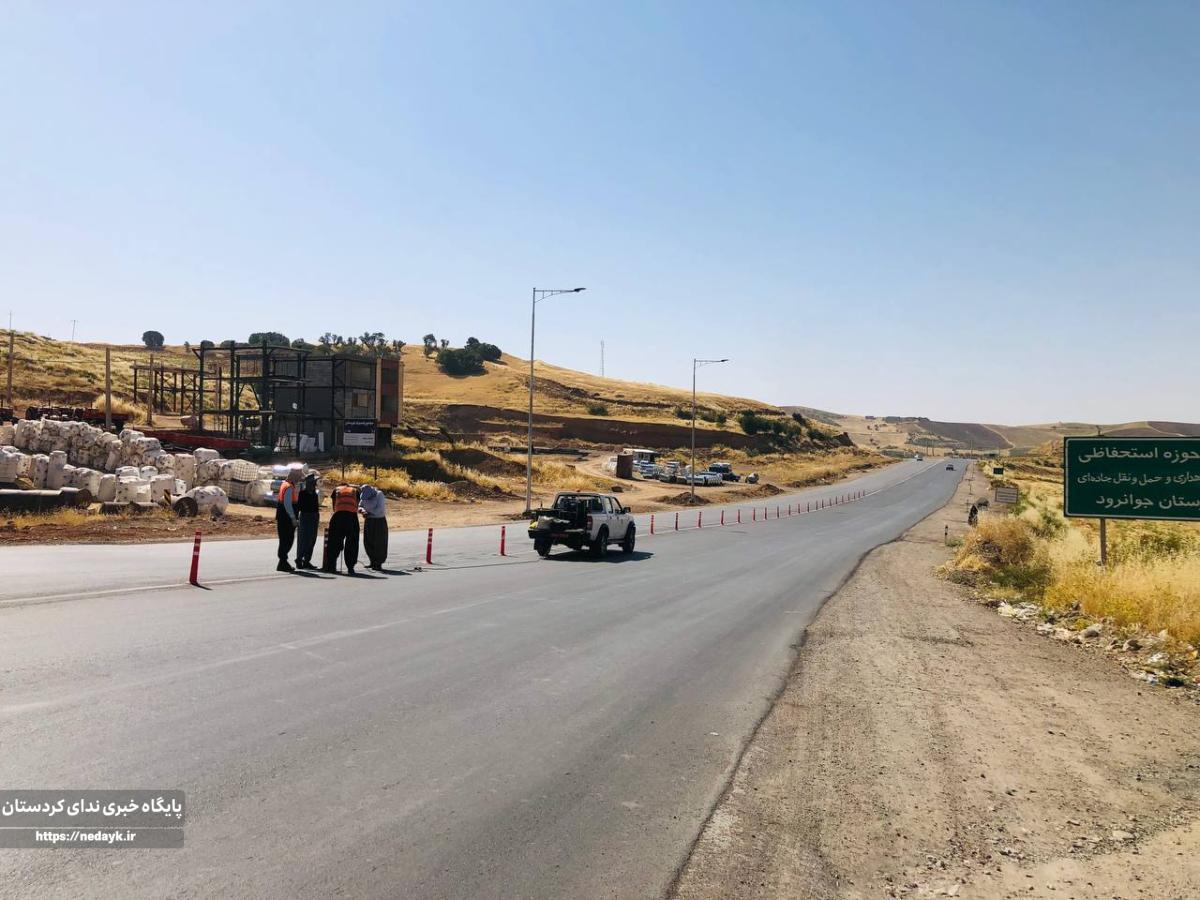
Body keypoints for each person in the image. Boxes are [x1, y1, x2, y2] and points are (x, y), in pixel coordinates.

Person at [322, 482, 360, 574]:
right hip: (352, 517)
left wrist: (336, 513)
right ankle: (350, 567)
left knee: (334, 540)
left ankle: (331, 566)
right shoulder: (354, 491)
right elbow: (357, 503)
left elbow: (334, 504)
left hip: (338, 516)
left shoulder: (336, 490)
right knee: (352, 541)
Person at [275, 470, 301, 573]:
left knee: (284, 539)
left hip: (283, 517)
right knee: (287, 540)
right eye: (298, 476)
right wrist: (293, 518)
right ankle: (283, 562)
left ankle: (283, 562)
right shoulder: (289, 487)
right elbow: (287, 504)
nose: (299, 479)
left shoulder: (285, 484)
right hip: (286, 518)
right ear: (293, 476)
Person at [358, 484, 388, 571]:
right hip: (369, 520)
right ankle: (372, 561)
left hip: (379, 521)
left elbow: (380, 509)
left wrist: (368, 513)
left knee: (379, 542)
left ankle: (378, 563)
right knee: (368, 541)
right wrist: (362, 510)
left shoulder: (379, 494)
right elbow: (360, 506)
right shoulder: (364, 496)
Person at [294, 472, 321, 569]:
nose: (314, 484)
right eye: (313, 482)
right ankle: (299, 559)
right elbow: (298, 507)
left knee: (312, 539)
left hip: (314, 517)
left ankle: (306, 561)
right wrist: (296, 519)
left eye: (314, 483)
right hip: (305, 517)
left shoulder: (315, 494)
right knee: (303, 539)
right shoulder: (302, 493)